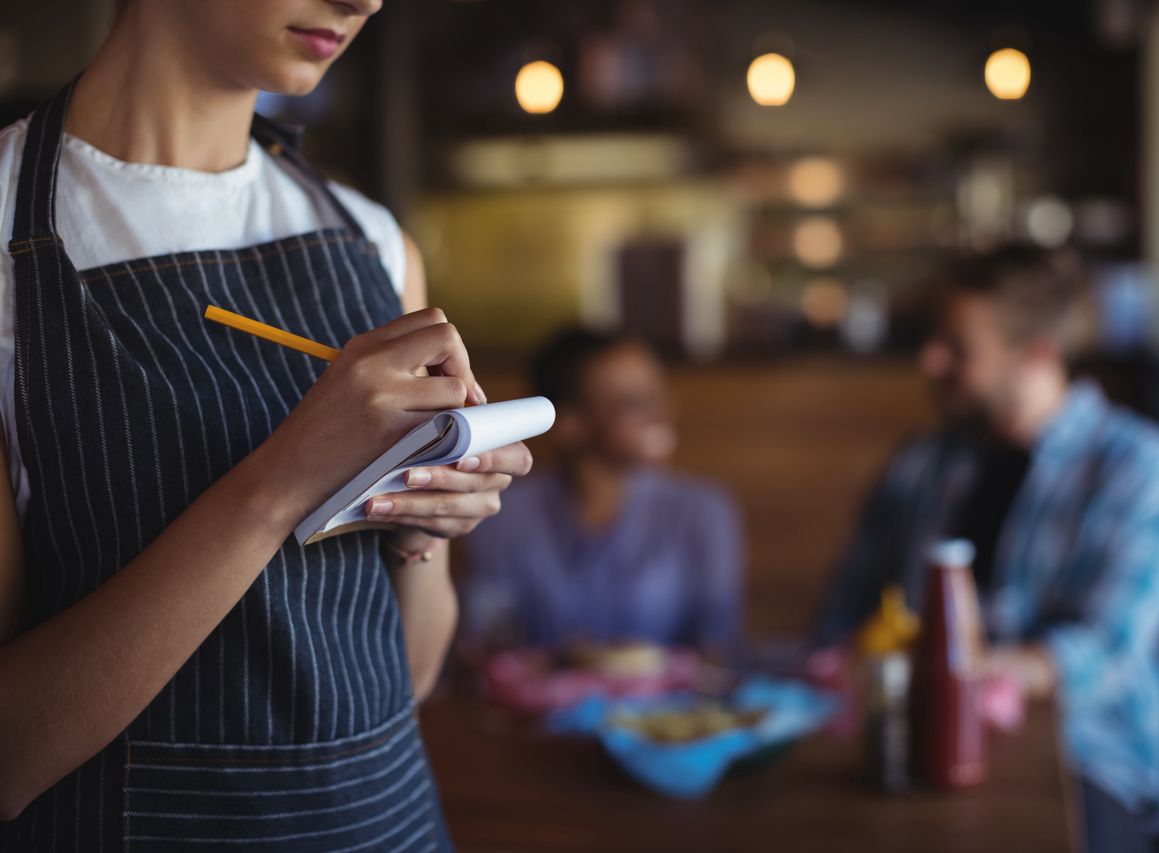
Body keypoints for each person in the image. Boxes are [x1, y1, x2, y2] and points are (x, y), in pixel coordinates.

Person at [0, 1, 532, 848]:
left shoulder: (374, 242)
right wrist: (279, 483)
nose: (363, 1)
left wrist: (420, 532)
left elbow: (415, 672)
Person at [815, 248, 1159, 853]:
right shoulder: (920, 462)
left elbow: (1108, 646)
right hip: (908, 745)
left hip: (1083, 758)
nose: (928, 360)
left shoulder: (1138, 466)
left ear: (1039, 351)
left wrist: (972, 676)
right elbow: (844, 612)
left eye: (957, 347)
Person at [463, 328, 743, 657]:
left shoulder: (702, 512)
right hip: (539, 707)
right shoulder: (503, 512)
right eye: (633, 403)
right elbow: (487, 645)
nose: (660, 414)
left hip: (666, 708)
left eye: (659, 396)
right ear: (569, 423)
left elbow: (719, 651)